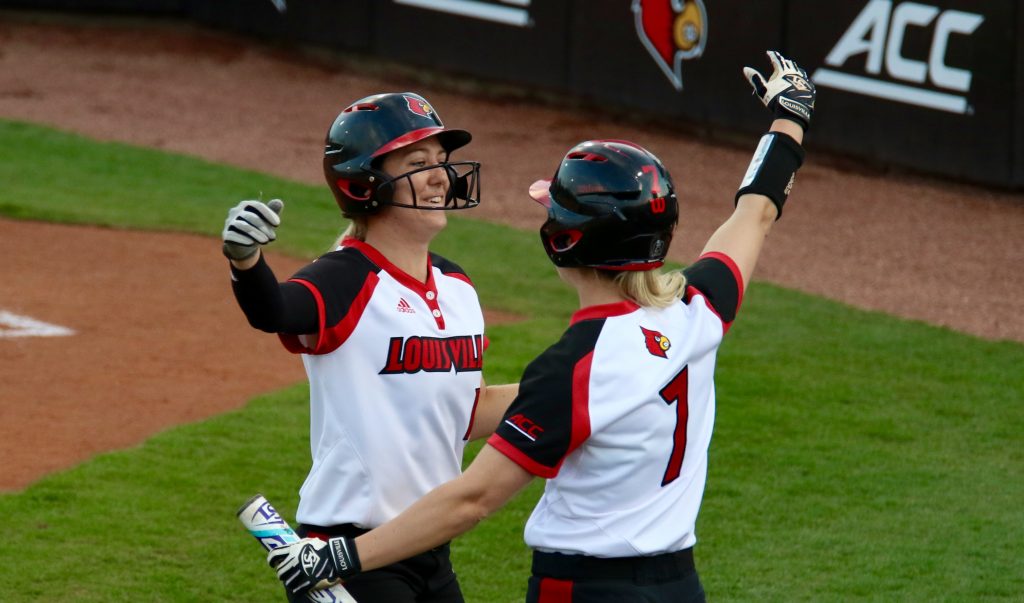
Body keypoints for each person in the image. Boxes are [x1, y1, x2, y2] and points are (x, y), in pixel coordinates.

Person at [266, 51, 816, 602]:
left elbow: (471, 500)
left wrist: (341, 555)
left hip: (584, 590)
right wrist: (789, 119)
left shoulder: (574, 367)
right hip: (679, 585)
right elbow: (756, 212)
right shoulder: (699, 309)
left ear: (565, 240)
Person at [221, 91, 519, 602]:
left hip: (429, 549)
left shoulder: (456, 284)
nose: (440, 177)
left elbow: (466, 412)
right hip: (347, 556)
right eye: (418, 163)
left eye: (441, 163)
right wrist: (246, 264)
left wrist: (573, 385)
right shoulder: (343, 278)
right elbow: (274, 311)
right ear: (366, 183)